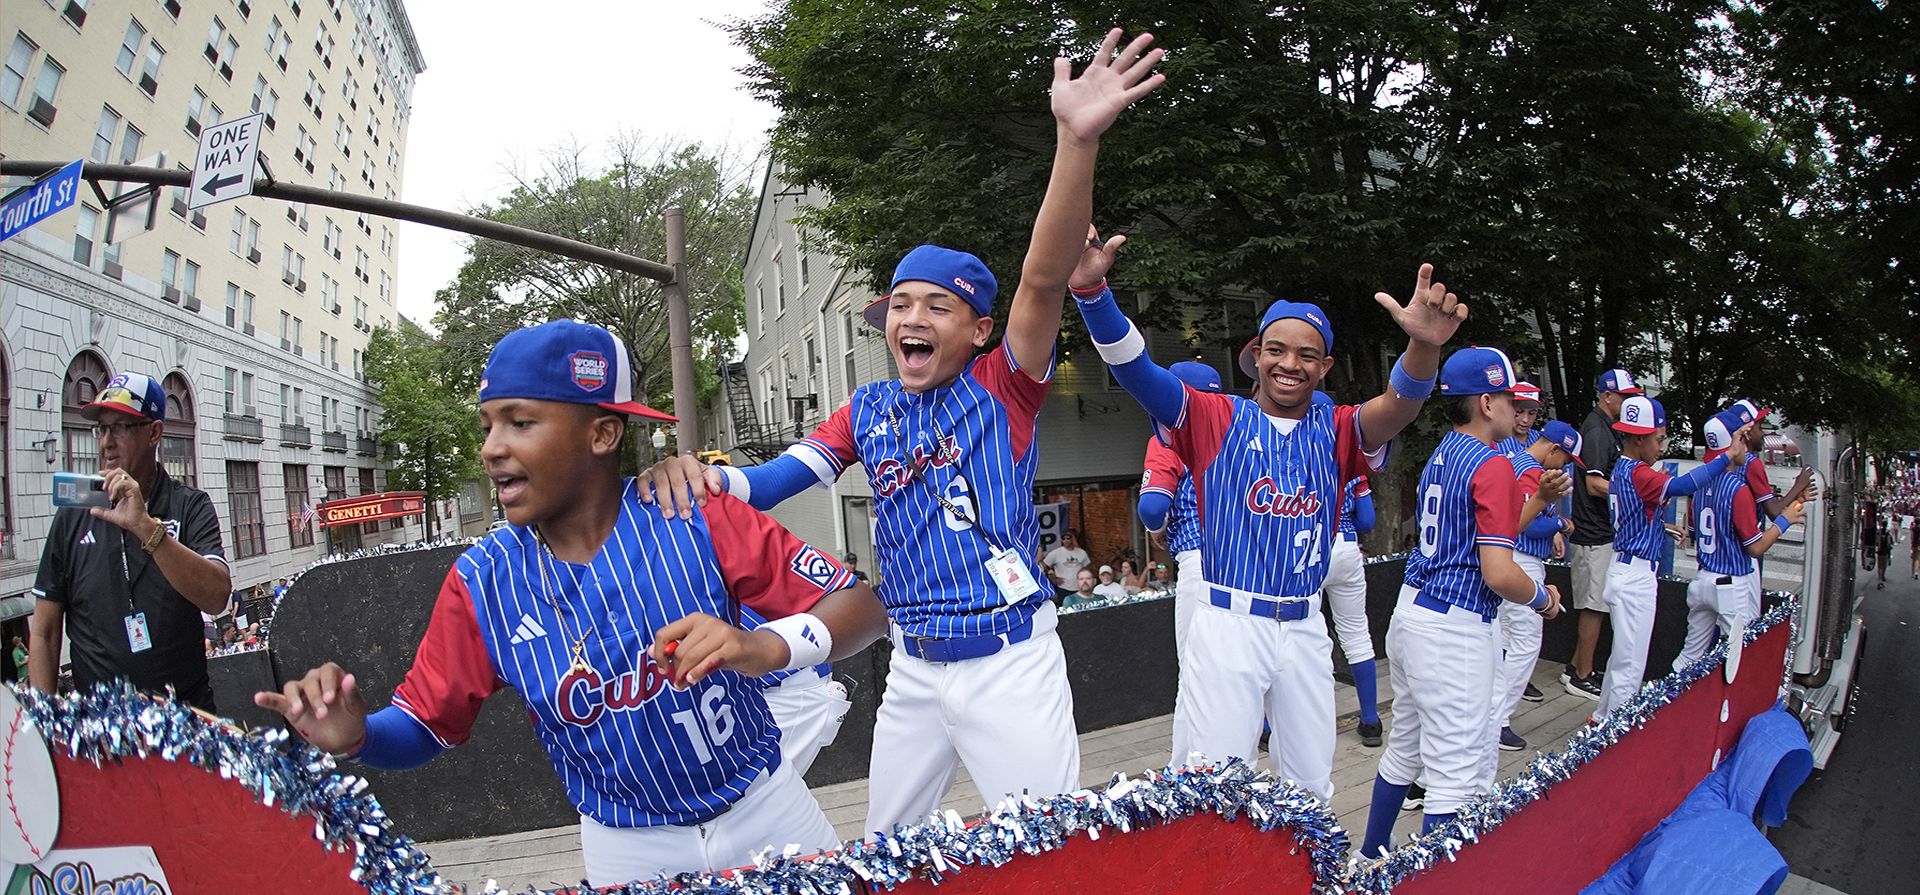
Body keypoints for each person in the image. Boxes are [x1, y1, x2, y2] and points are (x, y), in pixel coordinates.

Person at [637, 30, 1166, 834]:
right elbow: (782, 477)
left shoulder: (1006, 385)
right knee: (887, 849)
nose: (911, 318)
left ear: (981, 330)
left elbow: (1043, 274)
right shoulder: (871, 407)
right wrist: (707, 477)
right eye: (899, 306)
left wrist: (1075, 140)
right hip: (914, 667)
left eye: (936, 305)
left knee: (1052, 854)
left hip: (1008, 662)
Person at [255, 321, 889, 884]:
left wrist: (764, 645)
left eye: (521, 421)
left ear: (602, 433)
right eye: (488, 425)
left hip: (765, 805)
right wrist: (359, 736)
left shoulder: (692, 512)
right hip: (627, 848)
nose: (491, 447)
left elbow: (861, 609)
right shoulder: (483, 581)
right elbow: (423, 725)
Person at [1069, 226, 1466, 802]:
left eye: (1306, 355)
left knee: (1311, 785)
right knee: (1214, 787)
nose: (1289, 364)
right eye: (1275, 350)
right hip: (1229, 621)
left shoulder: (1337, 428)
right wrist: (1092, 294)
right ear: (1254, 355)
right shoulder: (1214, 416)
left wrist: (1424, 346)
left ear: (1325, 366)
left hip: (1305, 625)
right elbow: (1136, 369)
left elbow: (1399, 407)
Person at [1359, 346, 1565, 856]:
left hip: (1413, 612)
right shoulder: (1493, 463)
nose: (1516, 411)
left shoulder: (1445, 451)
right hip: (1455, 627)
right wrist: (1542, 599)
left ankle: (1368, 857)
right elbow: (1498, 572)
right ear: (1485, 403)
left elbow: (1488, 537)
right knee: (1455, 772)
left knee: (1406, 748)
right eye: (1507, 398)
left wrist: (1537, 501)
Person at [29, 372, 233, 711]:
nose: (106, 441)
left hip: (186, 724)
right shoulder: (74, 513)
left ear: (154, 432)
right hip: (103, 734)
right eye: (102, 428)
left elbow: (216, 598)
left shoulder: (190, 505)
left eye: (120, 427)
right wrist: (43, 727)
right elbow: (44, 631)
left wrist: (147, 529)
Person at [1595, 396, 1746, 723]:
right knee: (1630, 668)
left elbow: (1635, 514)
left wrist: (1660, 526)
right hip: (1634, 576)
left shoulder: (1622, 467)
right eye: (1658, 438)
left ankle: (1600, 718)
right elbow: (1681, 485)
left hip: (1624, 566)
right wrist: (1725, 458)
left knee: (1621, 660)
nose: (1662, 446)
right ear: (1638, 438)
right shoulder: (1640, 472)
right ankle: (1614, 739)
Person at [1672, 407, 1804, 672]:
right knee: (1739, 662)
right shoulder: (1737, 488)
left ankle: (1667, 707)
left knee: (1688, 659)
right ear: (1737, 441)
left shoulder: (1700, 486)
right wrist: (1785, 520)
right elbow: (1755, 548)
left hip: (1702, 580)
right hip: (1731, 585)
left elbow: (1696, 532)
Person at [1488, 420, 1582, 760]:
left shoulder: (1514, 461)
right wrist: (1560, 524)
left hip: (1509, 556)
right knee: (1526, 643)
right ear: (1554, 448)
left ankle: (1491, 715)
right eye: (1566, 458)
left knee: (1506, 643)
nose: (1566, 466)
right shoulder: (1529, 469)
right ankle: (1496, 721)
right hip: (1521, 559)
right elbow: (1523, 523)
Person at [1564, 369, 1642, 700]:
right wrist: (1631, 492)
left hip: (1600, 530)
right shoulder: (1597, 430)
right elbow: (1594, 484)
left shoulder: (1607, 428)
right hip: (1593, 531)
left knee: (1598, 604)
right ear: (1607, 396)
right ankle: (1581, 675)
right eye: (1624, 396)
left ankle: (1577, 666)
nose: (1628, 402)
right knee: (1594, 606)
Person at [1138, 360, 1224, 657]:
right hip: (1249, 561)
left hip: (1198, 557)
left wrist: (1157, 529)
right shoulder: (1240, 433)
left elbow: (1151, 507)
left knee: (1194, 669)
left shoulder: (1169, 438)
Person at [1324, 470, 1382, 747]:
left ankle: (1272, 725)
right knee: (1357, 635)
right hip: (1346, 546)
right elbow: (1368, 521)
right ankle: (1371, 720)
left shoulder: (1297, 452)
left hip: (1306, 544)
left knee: (1300, 635)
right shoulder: (1353, 463)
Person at [1876, 520, 1894, 589]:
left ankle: (1879, 579)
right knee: (1884, 565)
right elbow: (1889, 543)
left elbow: (1876, 542)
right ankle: (1882, 576)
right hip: (1886, 551)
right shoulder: (1888, 533)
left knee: (1879, 566)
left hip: (1880, 551)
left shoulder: (1879, 532)